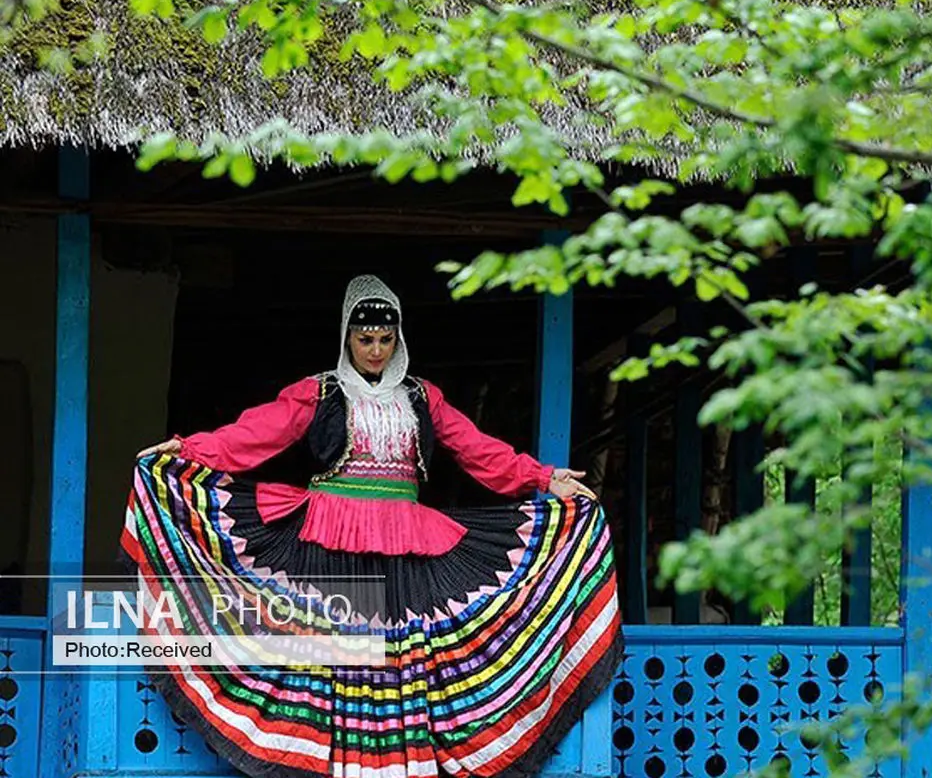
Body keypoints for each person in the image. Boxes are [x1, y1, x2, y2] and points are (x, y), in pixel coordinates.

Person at [119, 274, 623, 778]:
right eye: (365, 340)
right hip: (329, 543)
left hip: (403, 548)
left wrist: (544, 477)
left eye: (385, 340)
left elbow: (477, 450)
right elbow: (251, 437)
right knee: (323, 658)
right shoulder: (317, 392)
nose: (376, 350)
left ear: (398, 338)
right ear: (346, 337)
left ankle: (396, 764)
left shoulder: (424, 398)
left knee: (401, 661)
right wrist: (188, 450)